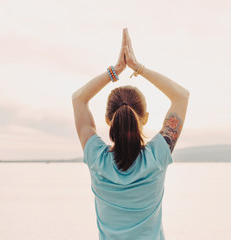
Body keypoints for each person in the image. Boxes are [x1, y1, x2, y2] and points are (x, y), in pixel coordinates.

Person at [72, 28, 190, 240]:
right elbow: (181, 96)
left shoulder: (96, 159)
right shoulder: (157, 157)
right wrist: (138, 67)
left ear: (109, 120)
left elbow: (78, 99)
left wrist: (115, 70)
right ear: (144, 118)